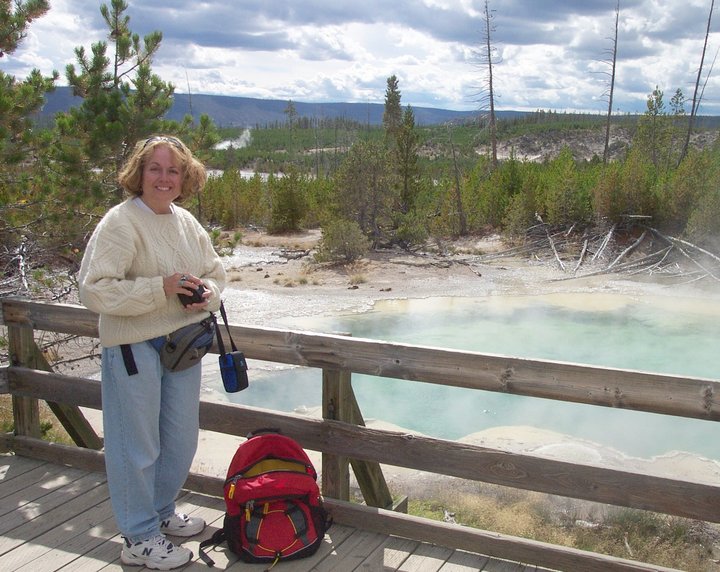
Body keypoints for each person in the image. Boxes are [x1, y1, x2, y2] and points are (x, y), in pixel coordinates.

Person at [78, 135, 226, 570]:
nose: (165, 178)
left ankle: (160, 513)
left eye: (173, 170)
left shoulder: (186, 223)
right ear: (139, 174)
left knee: (180, 440)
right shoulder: (121, 222)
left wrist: (206, 295)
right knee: (136, 445)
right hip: (132, 347)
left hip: (182, 347)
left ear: (185, 177)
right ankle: (139, 537)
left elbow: (215, 273)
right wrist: (160, 288)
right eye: (155, 169)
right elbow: (93, 291)